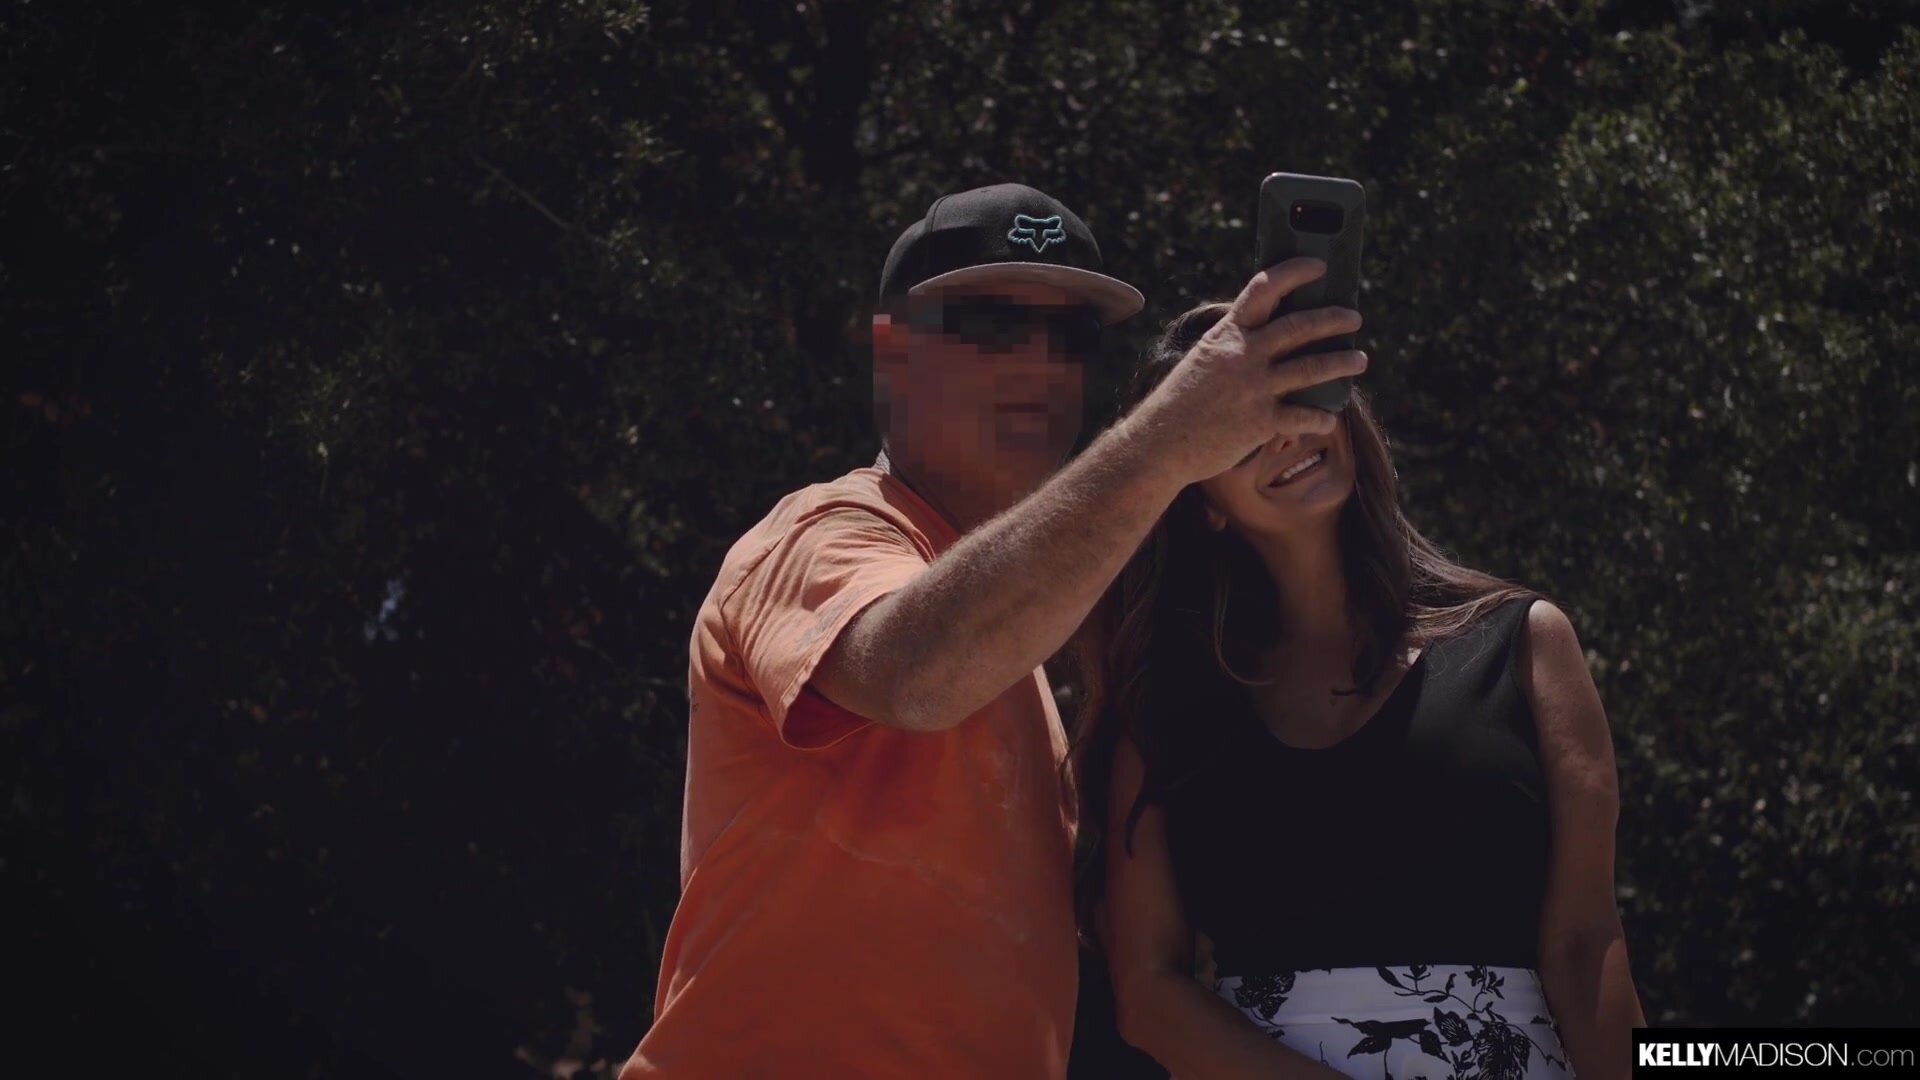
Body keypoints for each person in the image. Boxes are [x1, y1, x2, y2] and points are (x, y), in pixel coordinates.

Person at [618, 184, 1369, 1078]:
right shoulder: (824, 533)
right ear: (891, 352)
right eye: (992, 325)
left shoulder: (1023, 633)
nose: (1039, 365)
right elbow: (916, 674)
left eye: (1069, 336)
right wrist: (1171, 440)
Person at [1082, 301, 1647, 1079]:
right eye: (1237, 427)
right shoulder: (1169, 705)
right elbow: (1147, 991)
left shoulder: (1525, 644)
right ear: (1199, 503)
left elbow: (1586, 946)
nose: (1285, 433)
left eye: (1298, 397)